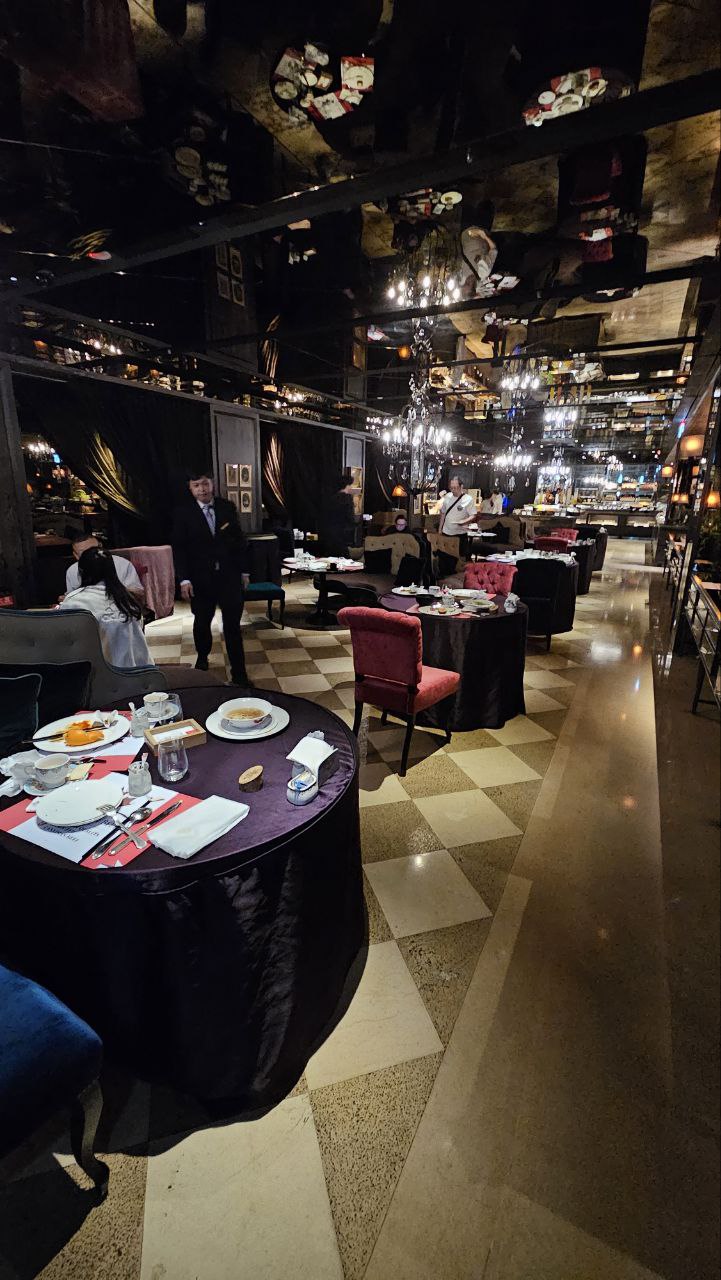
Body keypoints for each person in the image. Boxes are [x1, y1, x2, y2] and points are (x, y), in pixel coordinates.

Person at [172, 470, 249, 685]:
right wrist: (184, 579)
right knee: (202, 622)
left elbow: (239, 541)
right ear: (190, 488)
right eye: (196, 485)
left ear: (212, 484)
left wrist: (244, 571)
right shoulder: (183, 512)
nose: (202, 489)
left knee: (232, 626)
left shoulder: (227, 507)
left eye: (205, 484)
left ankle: (239, 673)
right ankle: (202, 657)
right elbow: (179, 548)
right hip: (200, 579)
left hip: (229, 576)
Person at [60, 547, 153, 669]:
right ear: (113, 570)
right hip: (137, 671)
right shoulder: (128, 598)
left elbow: (66, 641)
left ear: (81, 572)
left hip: (96, 674)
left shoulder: (74, 601)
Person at [65, 535, 143, 598]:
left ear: (101, 547)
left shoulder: (122, 564)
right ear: (76, 555)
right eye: (84, 553)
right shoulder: (72, 570)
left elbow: (139, 594)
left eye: (94, 550)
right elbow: (71, 596)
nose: (90, 556)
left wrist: (116, 592)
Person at [318, 474, 358, 556]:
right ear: (347, 485)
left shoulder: (332, 498)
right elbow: (350, 517)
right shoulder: (348, 498)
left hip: (330, 532)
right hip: (343, 531)